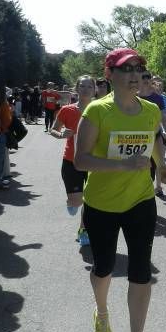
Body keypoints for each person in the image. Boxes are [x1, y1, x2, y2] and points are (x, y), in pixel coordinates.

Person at [74, 48, 166, 332]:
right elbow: (80, 160)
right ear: (109, 75)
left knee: (141, 271)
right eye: (125, 68)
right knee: (104, 267)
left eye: (139, 68)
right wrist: (122, 165)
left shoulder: (151, 110)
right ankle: (101, 312)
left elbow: (155, 139)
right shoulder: (96, 113)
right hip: (101, 205)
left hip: (140, 201)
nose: (134, 74)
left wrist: (162, 167)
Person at [51, 75, 96, 245]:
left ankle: (84, 230)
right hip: (72, 161)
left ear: (94, 90)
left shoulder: (100, 110)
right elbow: (53, 130)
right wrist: (61, 134)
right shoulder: (67, 110)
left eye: (89, 87)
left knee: (91, 199)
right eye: (82, 86)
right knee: (77, 202)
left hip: (94, 162)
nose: (85, 90)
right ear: (76, 89)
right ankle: (73, 201)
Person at [137, 71, 166, 197]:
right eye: (142, 76)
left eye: (148, 77)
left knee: (153, 166)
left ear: (151, 80)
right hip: (136, 139)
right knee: (141, 168)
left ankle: (151, 192)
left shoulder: (157, 98)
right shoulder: (133, 96)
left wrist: (164, 130)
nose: (145, 79)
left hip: (155, 138)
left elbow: (162, 117)